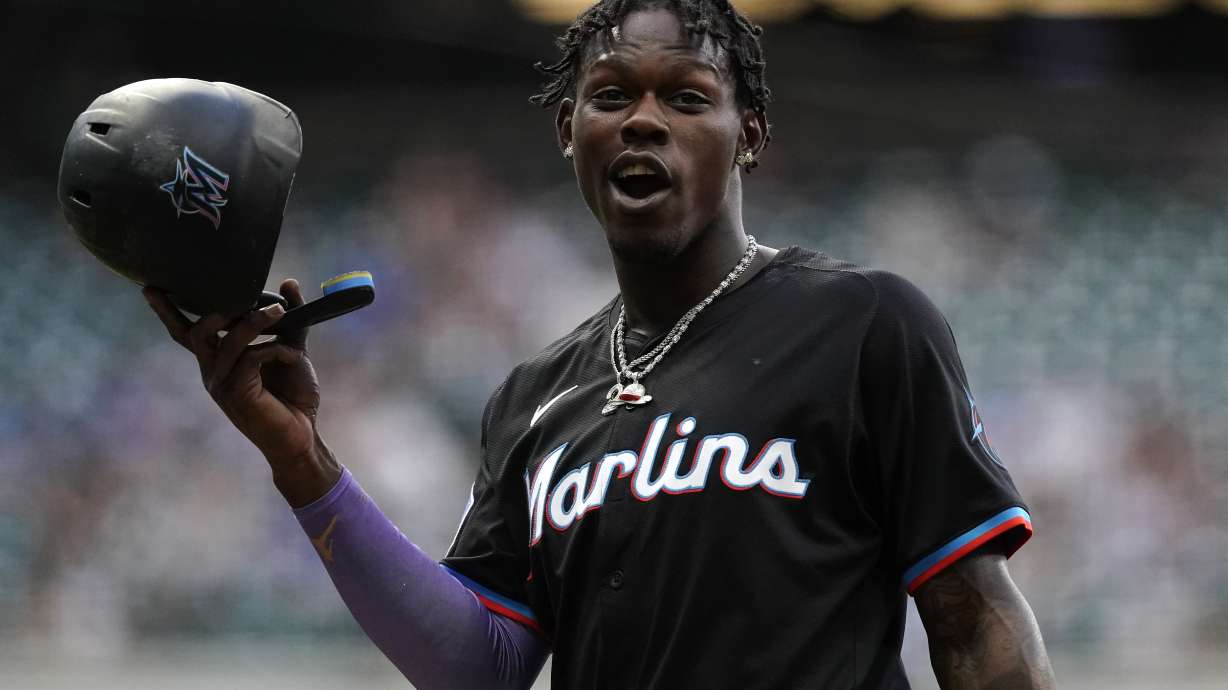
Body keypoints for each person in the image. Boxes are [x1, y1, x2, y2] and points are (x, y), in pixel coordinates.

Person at [145, 1, 1057, 687]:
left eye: (689, 97)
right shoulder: (535, 399)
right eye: (611, 95)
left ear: (752, 134)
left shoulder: (865, 324)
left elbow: (972, 620)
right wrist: (302, 461)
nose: (644, 120)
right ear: (568, 133)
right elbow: (478, 665)